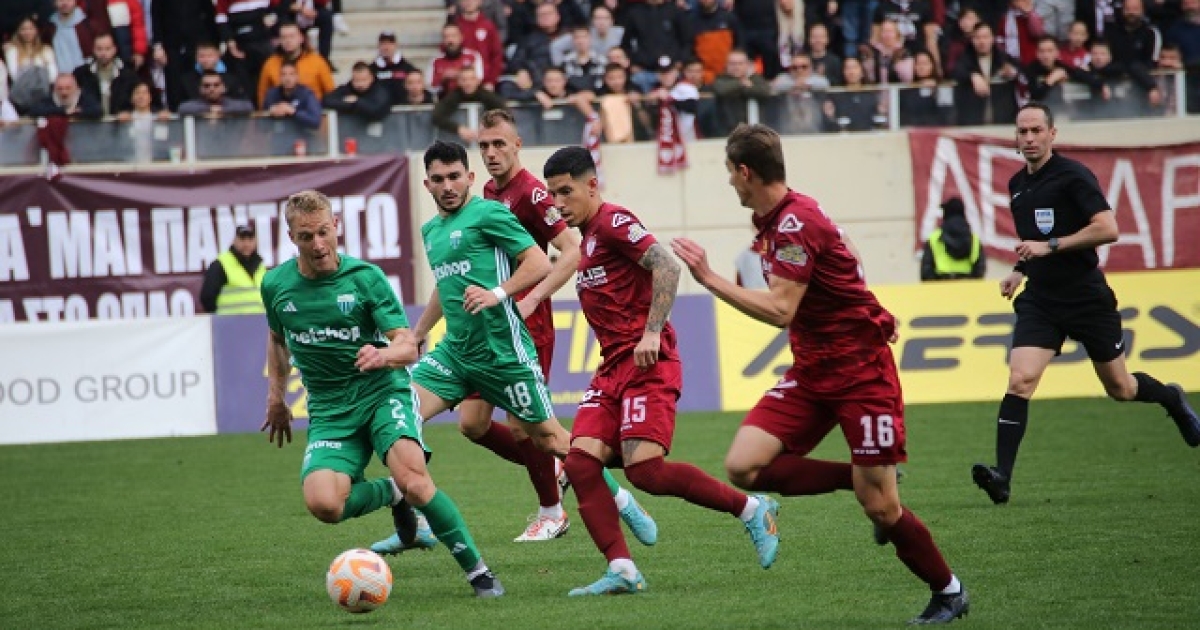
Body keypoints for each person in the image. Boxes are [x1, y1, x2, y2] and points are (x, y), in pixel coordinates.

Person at [671, 124, 970, 624]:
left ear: (745, 172)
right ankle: (858, 477)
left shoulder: (794, 224)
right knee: (744, 466)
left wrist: (708, 277)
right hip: (813, 372)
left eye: (729, 173)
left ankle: (949, 590)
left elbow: (781, 309)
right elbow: (847, 254)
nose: (729, 183)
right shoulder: (783, 218)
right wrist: (869, 306)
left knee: (882, 509)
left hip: (861, 375)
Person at [368, 141, 658, 560]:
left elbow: (538, 262)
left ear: (470, 178)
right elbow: (445, 287)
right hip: (455, 355)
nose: (448, 186)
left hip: (504, 354)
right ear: (427, 184)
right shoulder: (431, 231)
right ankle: (417, 519)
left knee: (551, 439)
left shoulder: (490, 213)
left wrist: (498, 293)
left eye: (455, 177)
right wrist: (417, 333)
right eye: (439, 179)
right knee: (398, 412)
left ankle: (622, 499)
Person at [538, 145, 780, 595]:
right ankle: (623, 570)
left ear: (592, 185)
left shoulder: (613, 222)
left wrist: (652, 332)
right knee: (581, 463)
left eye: (565, 192)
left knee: (646, 472)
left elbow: (666, 266)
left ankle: (751, 508)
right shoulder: (586, 239)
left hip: (648, 362)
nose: (558, 203)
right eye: (552, 194)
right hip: (612, 367)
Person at [260, 190, 504, 599]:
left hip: (382, 393)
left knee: (417, 482)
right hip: (330, 409)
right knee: (324, 505)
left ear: (336, 226)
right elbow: (277, 338)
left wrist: (384, 355)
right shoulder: (276, 285)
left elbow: (408, 346)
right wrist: (275, 398)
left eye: (323, 232)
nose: (318, 244)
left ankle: (479, 573)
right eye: (306, 236)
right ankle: (392, 492)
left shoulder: (365, 278)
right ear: (291, 237)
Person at [970, 102, 1200, 505]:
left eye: (1036, 130)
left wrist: (1051, 245)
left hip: (1086, 298)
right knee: (1020, 379)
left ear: (1052, 134)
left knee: (1121, 388)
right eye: (1022, 131)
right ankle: (1002, 477)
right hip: (1041, 300)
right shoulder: (1017, 185)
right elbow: (1032, 243)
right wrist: (1020, 271)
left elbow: (1108, 228)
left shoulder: (1073, 175)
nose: (1029, 138)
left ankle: (1171, 399)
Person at [407, 109, 582, 542]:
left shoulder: (532, 193)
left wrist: (532, 299)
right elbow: (456, 275)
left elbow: (570, 251)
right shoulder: (482, 194)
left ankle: (554, 508)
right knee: (473, 425)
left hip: (522, 324)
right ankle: (561, 468)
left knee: (527, 428)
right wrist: (419, 331)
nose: (491, 153)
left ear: (517, 145)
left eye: (499, 143)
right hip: (478, 330)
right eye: (484, 145)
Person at [199, 224, 266, 314]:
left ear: (255, 241)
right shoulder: (221, 264)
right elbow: (207, 297)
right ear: (234, 241)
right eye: (242, 239)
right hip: (230, 321)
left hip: (258, 320)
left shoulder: (260, 266)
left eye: (250, 239)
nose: (246, 244)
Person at [920, 198, 985, 281]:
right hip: (966, 286)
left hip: (941, 285)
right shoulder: (974, 239)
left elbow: (926, 271)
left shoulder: (934, 238)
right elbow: (979, 269)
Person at [322, 61, 392, 123]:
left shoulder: (380, 90)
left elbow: (376, 110)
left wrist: (356, 102)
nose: (360, 84)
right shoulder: (347, 88)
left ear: (371, 78)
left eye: (364, 80)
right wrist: (350, 104)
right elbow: (327, 100)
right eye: (356, 80)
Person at [177, 70, 253, 116]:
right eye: (207, 86)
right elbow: (183, 108)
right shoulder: (195, 104)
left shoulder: (229, 103)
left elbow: (248, 106)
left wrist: (222, 110)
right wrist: (209, 109)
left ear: (224, 88)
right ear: (200, 89)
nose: (212, 89)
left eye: (216, 85)